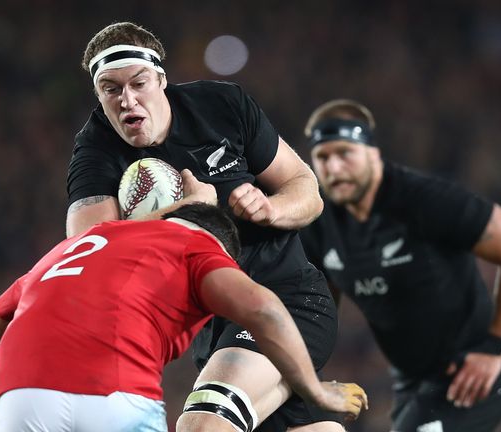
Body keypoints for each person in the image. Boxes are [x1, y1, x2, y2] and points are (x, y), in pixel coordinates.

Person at [65, 22, 349, 432]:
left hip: (286, 301)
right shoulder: (95, 152)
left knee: (202, 425)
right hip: (212, 328)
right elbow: (89, 254)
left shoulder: (221, 105)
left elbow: (307, 190)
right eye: (111, 88)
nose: (127, 99)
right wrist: (189, 210)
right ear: (98, 95)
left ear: (161, 79)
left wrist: (270, 208)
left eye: (138, 83)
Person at [0, 203, 368, 431]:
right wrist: (317, 390)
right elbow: (264, 308)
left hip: (16, 401)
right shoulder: (197, 244)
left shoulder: (73, 247)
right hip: (113, 393)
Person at [299, 99, 501, 432]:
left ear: (373, 153)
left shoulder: (423, 200)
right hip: (412, 382)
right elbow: (318, 309)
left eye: (345, 153)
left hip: (471, 372)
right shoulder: (321, 223)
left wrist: (494, 348)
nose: (334, 167)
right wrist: (305, 381)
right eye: (323, 157)